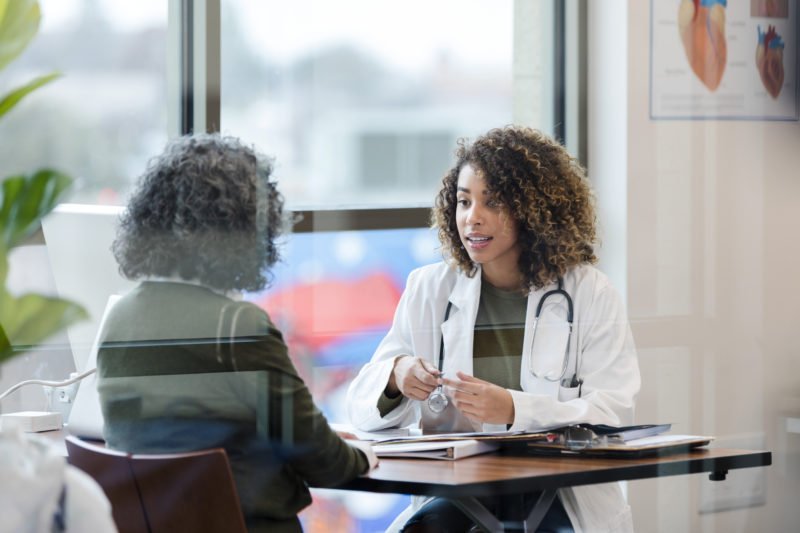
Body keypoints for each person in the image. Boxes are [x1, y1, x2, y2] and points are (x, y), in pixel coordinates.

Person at [346, 126, 640, 532]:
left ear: (534, 209)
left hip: (562, 502)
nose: (473, 217)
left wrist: (514, 409)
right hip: (460, 500)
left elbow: (614, 415)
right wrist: (395, 378)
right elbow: (361, 407)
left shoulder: (589, 292)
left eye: (493, 202)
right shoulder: (430, 288)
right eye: (464, 202)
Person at [96, 134, 376, 533]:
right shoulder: (237, 329)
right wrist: (361, 455)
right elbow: (326, 463)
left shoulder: (119, 318)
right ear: (245, 227)